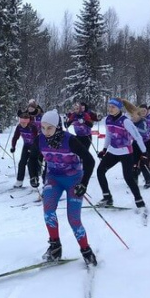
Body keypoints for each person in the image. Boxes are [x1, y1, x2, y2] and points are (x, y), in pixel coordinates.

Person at [28, 110, 97, 266]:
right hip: (53, 179)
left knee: (73, 219)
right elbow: (32, 159)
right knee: (48, 211)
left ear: (58, 127)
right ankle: (55, 246)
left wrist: (83, 183)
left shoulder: (70, 140)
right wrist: (33, 175)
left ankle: (86, 250)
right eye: (43, 128)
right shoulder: (39, 140)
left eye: (49, 128)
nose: (46, 132)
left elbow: (89, 160)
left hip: (74, 180)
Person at [96, 98, 148, 214]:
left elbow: (137, 136)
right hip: (113, 152)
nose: (110, 109)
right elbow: (108, 135)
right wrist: (104, 149)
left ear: (119, 108)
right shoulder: (108, 119)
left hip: (126, 153)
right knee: (100, 171)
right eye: (109, 106)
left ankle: (140, 202)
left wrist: (144, 153)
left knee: (128, 178)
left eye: (113, 107)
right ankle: (107, 198)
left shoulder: (125, 121)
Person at [10, 110, 38, 188]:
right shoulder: (19, 127)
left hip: (35, 146)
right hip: (26, 146)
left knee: (31, 163)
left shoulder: (33, 127)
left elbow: (37, 138)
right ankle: (19, 181)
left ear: (28, 122)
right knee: (22, 163)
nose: (22, 124)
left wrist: (34, 148)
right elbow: (15, 137)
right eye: (21, 122)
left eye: (24, 123)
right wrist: (13, 146)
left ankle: (34, 180)